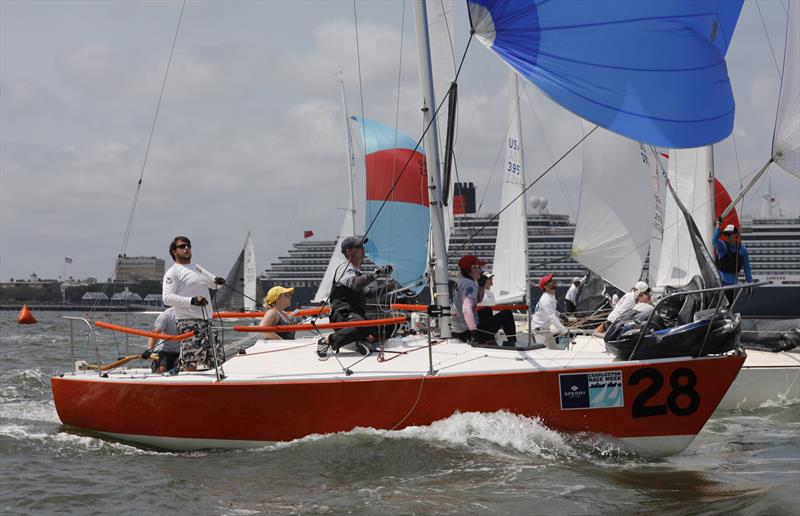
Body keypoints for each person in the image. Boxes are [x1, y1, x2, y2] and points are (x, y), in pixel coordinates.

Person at [316, 237, 391, 360]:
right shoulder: (344, 268)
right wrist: (376, 274)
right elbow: (354, 284)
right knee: (360, 325)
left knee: (389, 324)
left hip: (356, 315)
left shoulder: (357, 272)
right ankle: (327, 340)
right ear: (349, 252)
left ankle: (364, 338)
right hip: (343, 315)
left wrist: (388, 288)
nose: (363, 249)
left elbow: (369, 295)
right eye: (360, 247)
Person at [162, 236, 226, 372]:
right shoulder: (173, 272)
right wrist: (192, 301)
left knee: (217, 361)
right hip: (188, 323)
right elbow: (167, 298)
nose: (187, 248)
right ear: (174, 251)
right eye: (182, 246)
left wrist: (218, 281)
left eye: (189, 246)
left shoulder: (196, 267)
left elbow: (214, 284)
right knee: (191, 363)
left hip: (207, 322)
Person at [451, 255, 516, 345]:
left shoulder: (461, 281)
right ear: (470, 270)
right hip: (468, 333)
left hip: (458, 331)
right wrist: (474, 333)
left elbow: (477, 300)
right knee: (507, 313)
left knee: (487, 310)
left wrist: (481, 287)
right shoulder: (470, 285)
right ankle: (512, 343)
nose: (480, 270)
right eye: (477, 267)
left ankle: (489, 339)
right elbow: (467, 309)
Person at [713, 222, 753, 305]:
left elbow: (747, 268)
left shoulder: (742, 250)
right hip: (720, 285)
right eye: (726, 234)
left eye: (729, 234)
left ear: (735, 235)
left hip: (732, 285)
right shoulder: (722, 247)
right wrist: (718, 226)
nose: (727, 236)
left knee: (728, 307)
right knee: (720, 307)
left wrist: (750, 284)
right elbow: (714, 241)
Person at [142, 307, 179, 373]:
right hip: (164, 350)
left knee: (186, 369)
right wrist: (148, 350)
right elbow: (155, 334)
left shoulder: (192, 315)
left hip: (181, 352)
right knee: (162, 369)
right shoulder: (167, 315)